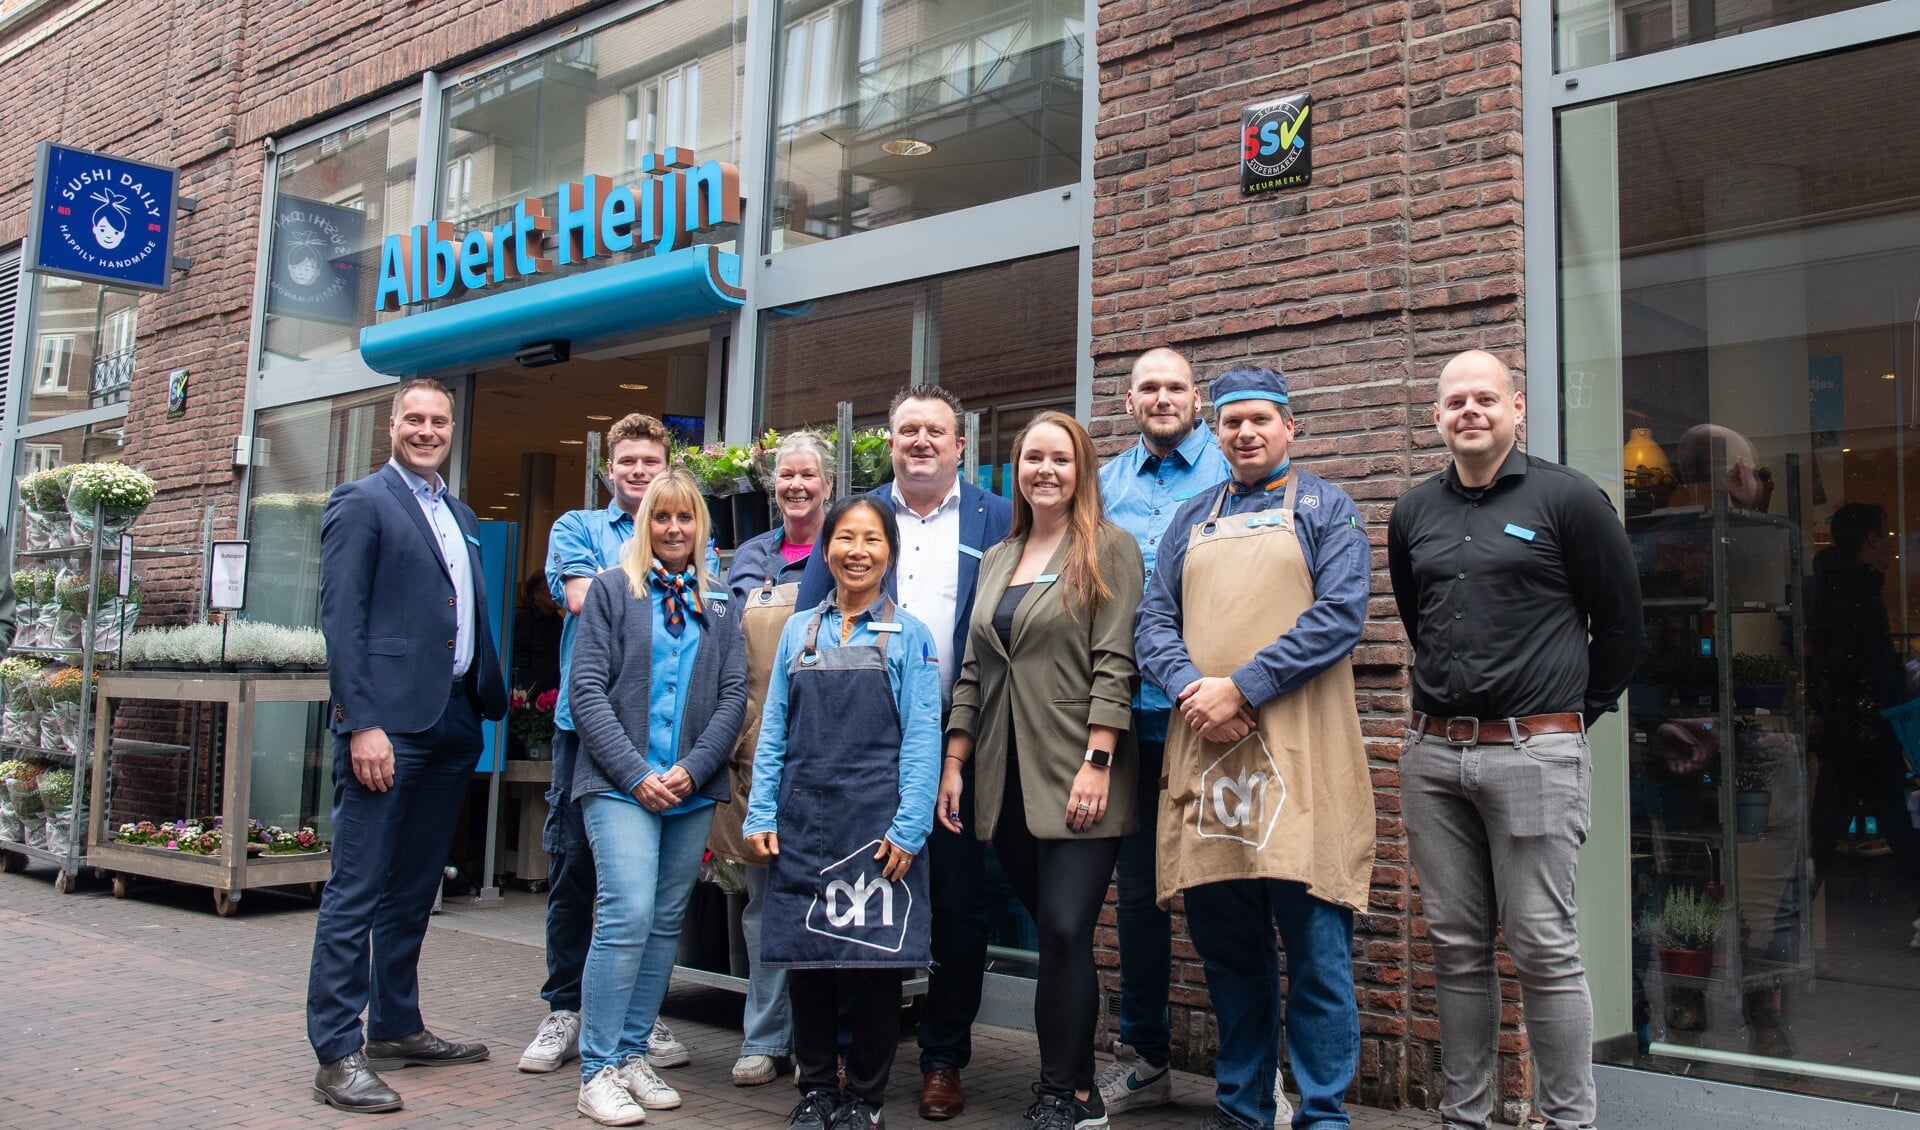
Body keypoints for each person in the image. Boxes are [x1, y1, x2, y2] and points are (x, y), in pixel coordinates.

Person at [1386, 349, 1639, 1130]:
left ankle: (1569, 1121)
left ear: (1517, 408)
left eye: (1485, 399)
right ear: (1436, 416)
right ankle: (1465, 1117)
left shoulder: (1569, 500)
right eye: (1455, 401)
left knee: (1542, 947)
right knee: (1456, 947)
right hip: (1433, 758)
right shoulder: (1413, 512)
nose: (1470, 411)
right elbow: (1413, 613)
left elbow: (1622, 625)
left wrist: (1562, 719)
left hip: (1534, 755)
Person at [1134, 365, 1373, 1130]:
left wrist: (1243, 686)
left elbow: (1340, 615)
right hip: (1207, 756)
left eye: (1261, 420)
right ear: (1218, 430)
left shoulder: (1327, 509)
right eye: (1232, 422)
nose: (1245, 433)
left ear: (1289, 428)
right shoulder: (1190, 519)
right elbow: (1151, 626)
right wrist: (1193, 692)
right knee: (1230, 957)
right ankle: (1242, 1107)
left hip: (1303, 763)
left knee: (1317, 956)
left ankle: (1324, 1114)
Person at [794, 384, 1012, 1121]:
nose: (921, 441)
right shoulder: (857, 519)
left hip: (964, 734)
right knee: (851, 894)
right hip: (856, 740)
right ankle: (849, 1067)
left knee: (955, 905)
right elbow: (810, 628)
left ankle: (943, 1058)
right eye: (907, 430)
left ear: (960, 445)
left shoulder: (998, 520)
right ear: (889, 442)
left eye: (935, 431)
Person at [307, 378, 509, 1114]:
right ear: (392, 425)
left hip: (454, 722)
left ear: (452, 428)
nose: (427, 430)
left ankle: (395, 1025)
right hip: (385, 728)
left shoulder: (457, 512)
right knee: (357, 889)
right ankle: (336, 1051)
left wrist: (487, 695)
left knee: (415, 889)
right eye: (414, 419)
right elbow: (343, 619)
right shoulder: (361, 502)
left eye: (439, 421)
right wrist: (361, 722)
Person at [940, 411, 1144, 1130]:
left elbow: (1116, 662)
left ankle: (1066, 1093)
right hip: (1006, 774)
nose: (1045, 470)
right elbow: (972, 667)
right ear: (1017, 470)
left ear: (1081, 469)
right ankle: (1077, 1080)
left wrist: (1099, 761)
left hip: (1079, 770)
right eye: (1032, 459)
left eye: (1060, 458)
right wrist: (956, 760)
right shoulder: (1002, 554)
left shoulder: (1109, 550)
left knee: (1062, 929)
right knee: (1055, 932)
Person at [522, 412, 718, 1077]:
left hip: (670, 745)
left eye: (651, 462)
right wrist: (645, 565)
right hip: (594, 731)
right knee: (580, 873)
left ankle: (634, 1017)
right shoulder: (577, 529)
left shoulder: (692, 543)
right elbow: (585, 600)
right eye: (628, 462)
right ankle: (566, 1008)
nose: (638, 472)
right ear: (610, 469)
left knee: (655, 901)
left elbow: (710, 613)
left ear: (668, 468)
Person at [746, 495, 943, 1130]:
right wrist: (760, 815)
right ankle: (816, 1092)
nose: (857, 551)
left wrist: (910, 826)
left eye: (872, 540)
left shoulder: (911, 636)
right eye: (845, 539)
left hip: (876, 829)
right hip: (803, 824)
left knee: (872, 969)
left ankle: (865, 1097)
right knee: (809, 966)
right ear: (827, 550)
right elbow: (772, 729)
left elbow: (922, 738)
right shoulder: (799, 631)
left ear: (891, 553)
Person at [567, 468, 747, 1125]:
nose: (674, 529)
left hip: (690, 791)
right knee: (627, 913)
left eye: (686, 518)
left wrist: (693, 771)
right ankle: (596, 1070)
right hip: (619, 786)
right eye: (662, 518)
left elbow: (734, 696)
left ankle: (632, 1051)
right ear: (646, 525)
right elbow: (586, 690)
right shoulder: (615, 592)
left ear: (702, 526)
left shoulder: (721, 601)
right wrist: (636, 772)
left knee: (665, 923)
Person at [1093, 347, 1233, 1116]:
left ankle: (1248, 1065)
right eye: (1148, 387)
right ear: (1128, 399)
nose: (1161, 397)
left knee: (1227, 887)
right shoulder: (1105, 484)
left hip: (1210, 717)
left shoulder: (1230, 470)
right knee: (1139, 897)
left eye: (1175, 386)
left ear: (1198, 398)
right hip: (1129, 718)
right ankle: (1146, 1056)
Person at [711, 430, 835, 1086]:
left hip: (827, 750)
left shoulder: (842, 545)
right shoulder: (751, 556)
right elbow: (733, 658)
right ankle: (764, 1038)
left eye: (807, 476)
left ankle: (825, 1042)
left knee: (826, 897)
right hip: (758, 753)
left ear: (827, 484)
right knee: (762, 904)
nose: (795, 487)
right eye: (785, 476)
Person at [1809, 502, 1909, 873]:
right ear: (1870, 539)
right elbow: (1868, 660)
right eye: (1885, 536)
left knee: (1828, 831)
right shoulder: (1858, 590)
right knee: (1892, 819)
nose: (1889, 547)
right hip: (1863, 727)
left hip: (1849, 725)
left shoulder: (1837, 583)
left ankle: (1784, 921)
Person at [512, 572, 564, 701]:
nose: (557, 593)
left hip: (550, 695)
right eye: (551, 588)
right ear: (536, 594)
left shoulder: (559, 623)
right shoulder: (519, 618)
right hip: (523, 695)